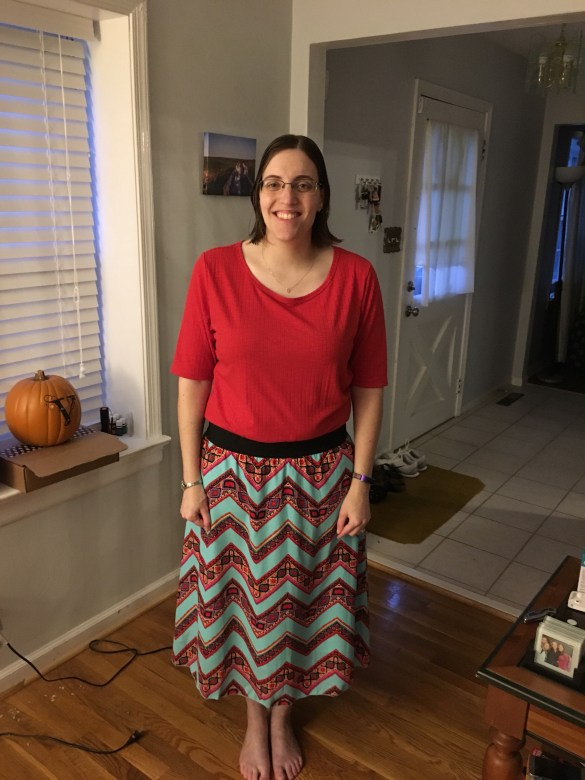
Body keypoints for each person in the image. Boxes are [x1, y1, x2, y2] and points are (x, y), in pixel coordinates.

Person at [171, 134, 387, 780]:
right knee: (245, 609)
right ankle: (252, 722)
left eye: (301, 184)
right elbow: (192, 385)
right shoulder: (214, 270)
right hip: (230, 477)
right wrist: (190, 481)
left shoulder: (356, 277)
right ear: (256, 193)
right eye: (273, 182)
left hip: (322, 478)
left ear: (320, 197)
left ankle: (282, 718)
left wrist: (361, 481)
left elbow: (369, 390)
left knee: (300, 608)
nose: (285, 197)